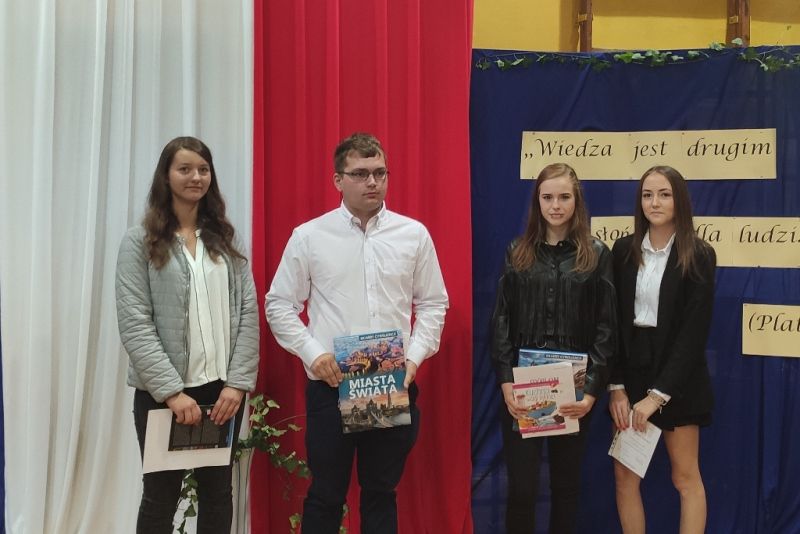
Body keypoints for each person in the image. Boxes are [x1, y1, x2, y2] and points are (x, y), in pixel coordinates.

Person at [265, 132, 448, 534]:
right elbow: (278, 304)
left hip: (389, 380)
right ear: (338, 180)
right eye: (361, 174)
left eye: (380, 173)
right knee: (326, 494)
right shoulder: (310, 236)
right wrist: (313, 353)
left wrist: (414, 358)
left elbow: (434, 303)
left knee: (381, 492)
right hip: (332, 385)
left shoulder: (413, 234)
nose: (373, 182)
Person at [115, 136, 259, 534]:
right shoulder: (139, 242)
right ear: (166, 176)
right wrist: (172, 393)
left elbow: (248, 312)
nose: (196, 177)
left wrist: (237, 384)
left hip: (222, 394)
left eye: (203, 169)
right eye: (185, 169)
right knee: (160, 498)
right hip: (164, 395)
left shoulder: (225, 239)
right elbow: (135, 323)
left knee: (218, 495)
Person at [491, 163, 616, 533]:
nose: (556, 205)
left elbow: (607, 328)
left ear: (577, 201)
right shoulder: (517, 252)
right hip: (522, 387)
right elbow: (500, 321)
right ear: (537, 202)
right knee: (522, 489)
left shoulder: (597, 254)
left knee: (565, 487)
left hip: (574, 390)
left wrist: (591, 392)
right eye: (548, 197)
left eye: (564, 197)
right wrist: (506, 382)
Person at [608, 165, 716, 534]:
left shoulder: (699, 254)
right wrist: (617, 387)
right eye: (647, 195)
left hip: (678, 379)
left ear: (679, 200)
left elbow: (693, 335)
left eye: (664, 194)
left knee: (685, 478)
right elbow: (614, 323)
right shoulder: (622, 251)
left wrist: (657, 396)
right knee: (625, 479)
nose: (654, 202)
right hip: (632, 374)